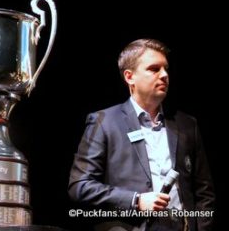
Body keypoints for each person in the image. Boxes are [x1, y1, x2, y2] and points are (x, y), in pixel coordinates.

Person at [68, 39, 215, 231]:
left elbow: (205, 193)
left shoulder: (187, 124)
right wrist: (135, 201)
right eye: (154, 69)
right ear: (130, 77)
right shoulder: (104, 122)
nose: (164, 75)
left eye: (166, 68)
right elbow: (80, 186)